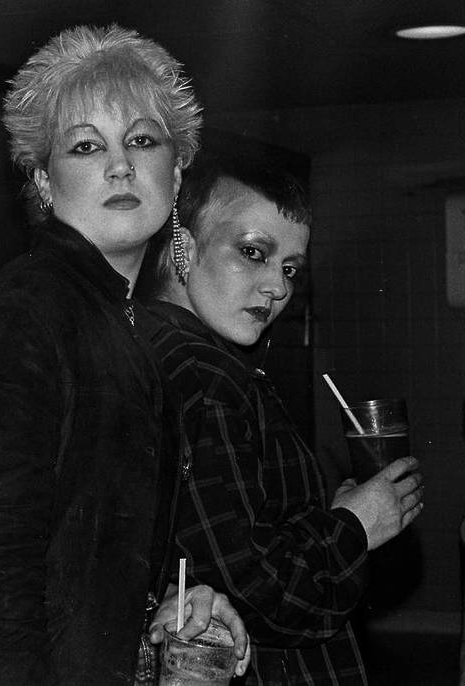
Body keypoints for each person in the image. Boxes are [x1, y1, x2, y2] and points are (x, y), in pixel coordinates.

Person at [0, 25, 248, 684]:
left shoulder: (122, 327)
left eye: (144, 141)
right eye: (86, 146)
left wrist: (168, 612)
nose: (120, 165)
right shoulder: (23, 321)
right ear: (42, 180)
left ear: (177, 171)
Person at [138, 152, 425, 684]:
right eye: (253, 253)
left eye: (290, 268)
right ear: (183, 245)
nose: (278, 288)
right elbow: (256, 588)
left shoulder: (160, 352)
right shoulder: (205, 375)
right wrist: (355, 526)